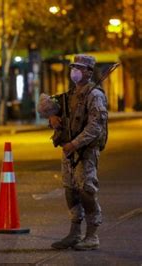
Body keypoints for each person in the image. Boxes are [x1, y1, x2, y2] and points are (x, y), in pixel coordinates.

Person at [49, 54, 108, 251]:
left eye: (80, 68)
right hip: (68, 151)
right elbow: (64, 118)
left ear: (89, 72)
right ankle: (74, 233)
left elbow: (96, 126)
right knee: (70, 190)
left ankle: (92, 235)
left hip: (85, 151)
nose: (75, 71)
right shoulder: (71, 94)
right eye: (73, 67)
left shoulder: (95, 95)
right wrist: (54, 121)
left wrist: (75, 144)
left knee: (86, 191)